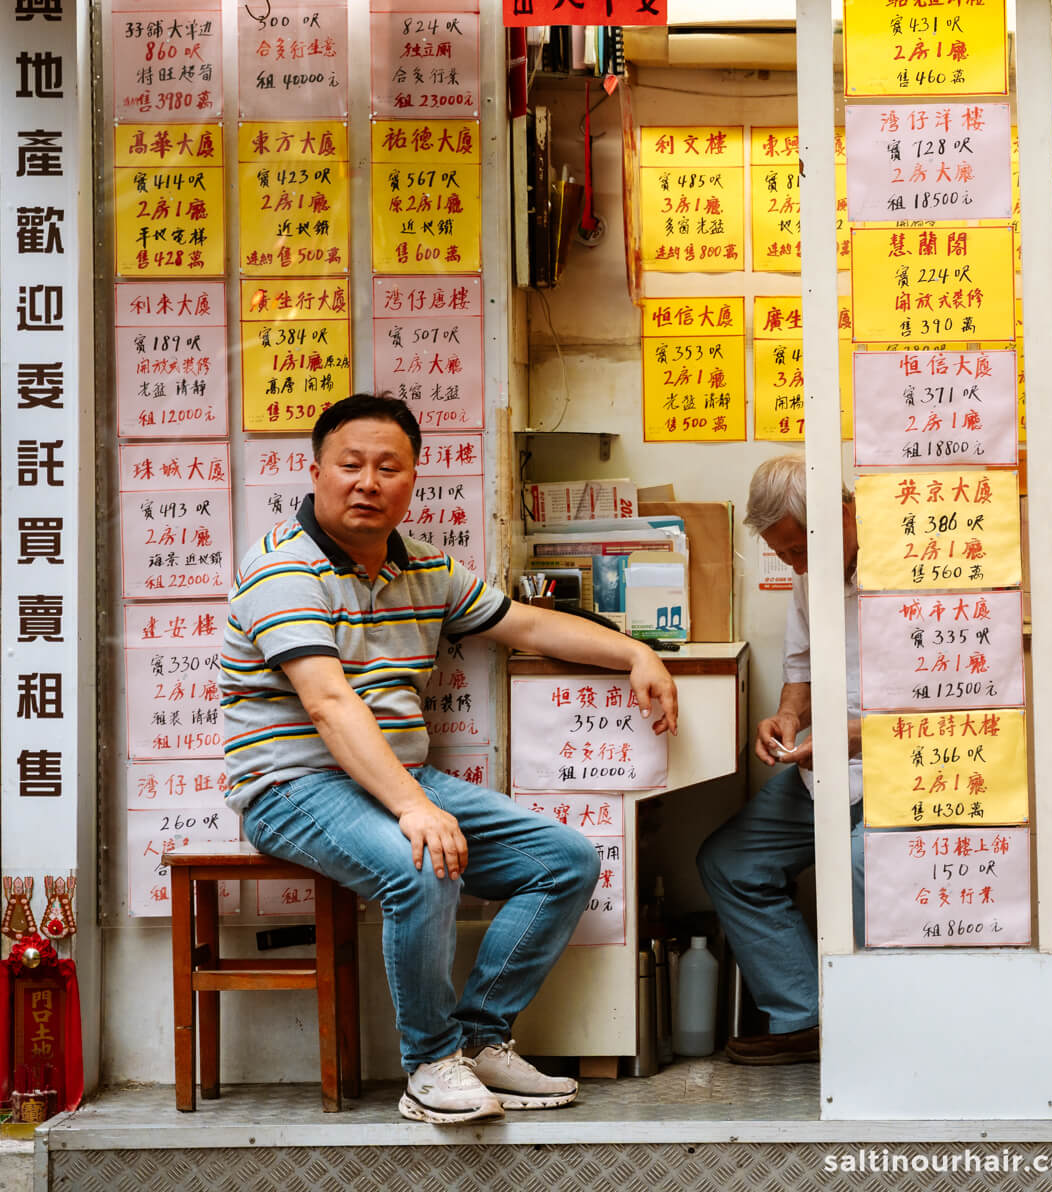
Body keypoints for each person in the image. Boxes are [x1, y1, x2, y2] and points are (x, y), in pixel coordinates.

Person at [220, 394, 678, 1125]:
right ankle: (428, 1064)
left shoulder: (426, 570)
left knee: (563, 860)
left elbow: (525, 623)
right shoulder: (284, 570)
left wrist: (634, 651)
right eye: (350, 465)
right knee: (422, 861)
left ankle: (480, 1038)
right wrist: (414, 807)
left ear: (412, 479)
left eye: (387, 467)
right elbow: (328, 704)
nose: (367, 482)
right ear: (316, 472)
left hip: (398, 776)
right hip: (293, 786)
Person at [696, 453, 865, 1066]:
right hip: (826, 771)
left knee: (857, 865)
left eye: (800, 549)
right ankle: (807, 1019)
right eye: (785, 555)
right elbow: (802, 671)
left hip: (906, 772)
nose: (796, 565)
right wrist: (788, 719)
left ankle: (879, 1026)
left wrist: (853, 736)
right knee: (730, 861)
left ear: (844, 513)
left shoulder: (908, 568)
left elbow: (950, 701)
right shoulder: (807, 573)